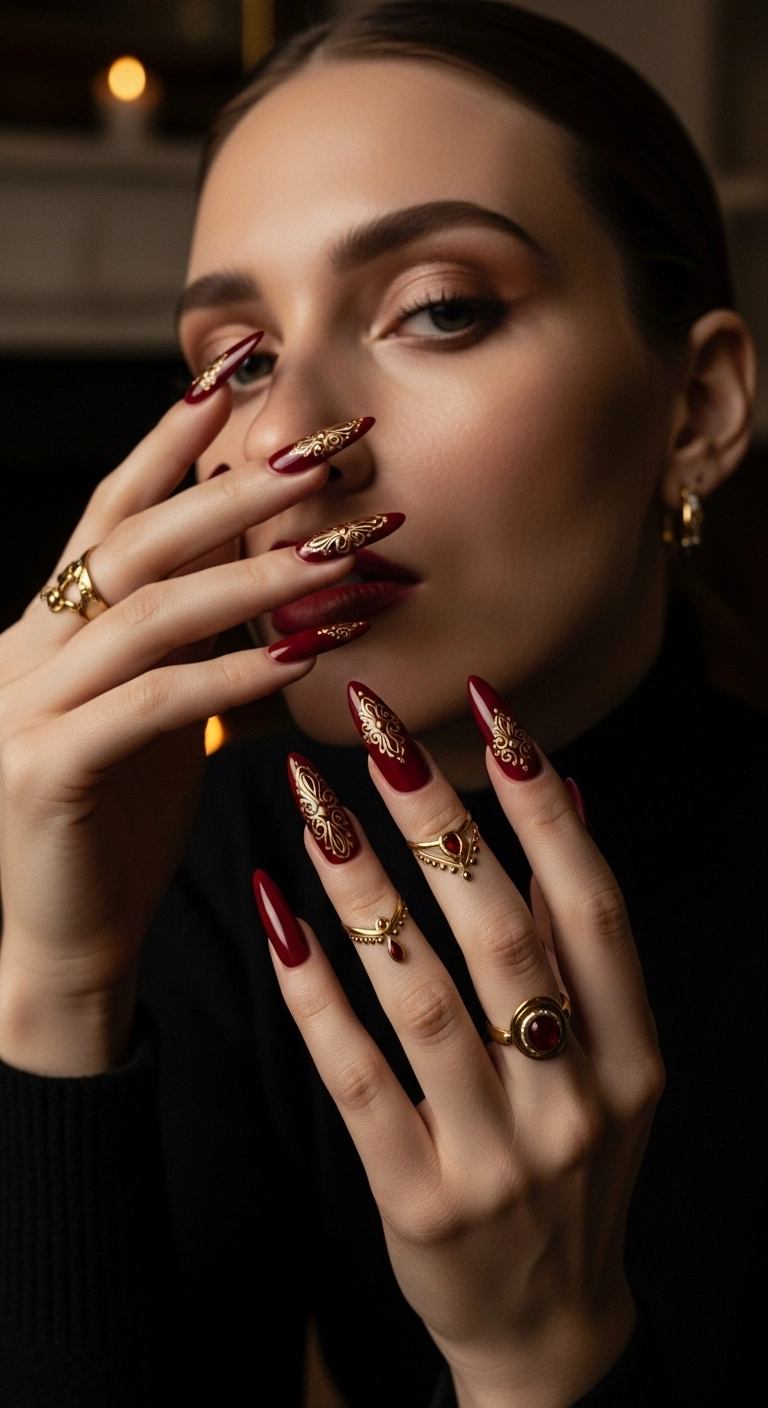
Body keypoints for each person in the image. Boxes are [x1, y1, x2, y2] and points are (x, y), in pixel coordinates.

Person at [0, 3, 763, 1405]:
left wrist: (544, 1362)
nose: (286, 438)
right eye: (234, 358)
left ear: (697, 409)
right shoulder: (212, 863)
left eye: (439, 309)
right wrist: (57, 998)